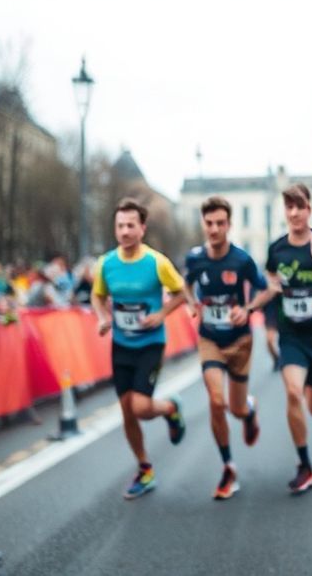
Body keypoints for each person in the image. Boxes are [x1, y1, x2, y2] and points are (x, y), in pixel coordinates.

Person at [91, 198, 189, 499]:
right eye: (120, 225)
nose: (125, 231)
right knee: (127, 412)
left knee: (142, 407)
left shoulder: (156, 262)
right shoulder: (106, 263)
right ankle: (144, 469)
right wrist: (103, 317)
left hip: (150, 343)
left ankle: (171, 408)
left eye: (131, 225)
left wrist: (160, 314)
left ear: (142, 228)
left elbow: (181, 292)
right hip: (121, 344)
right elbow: (97, 296)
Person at [184, 196, 276, 500]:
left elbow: (268, 289)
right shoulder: (195, 259)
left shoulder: (241, 260)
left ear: (229, 225)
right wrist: (190, 303)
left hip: (239, 341)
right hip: (209, 338)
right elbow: (185, 284)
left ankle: (248, 410)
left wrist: (248, 309)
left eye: (220, 223)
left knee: (234, 408)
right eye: (209, 223)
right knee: (215, 400)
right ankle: (228, 466)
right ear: (203, 224)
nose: (214, 229)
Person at [265, 183, 312, 495]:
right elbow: (271, 289)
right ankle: (304, 465)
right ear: (285, 211)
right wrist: (270, 327)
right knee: (293, 393)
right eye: (290, 207)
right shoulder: (276, 250)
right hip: (291, 336)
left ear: (310, 209)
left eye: (300, 206)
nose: (295, 212)